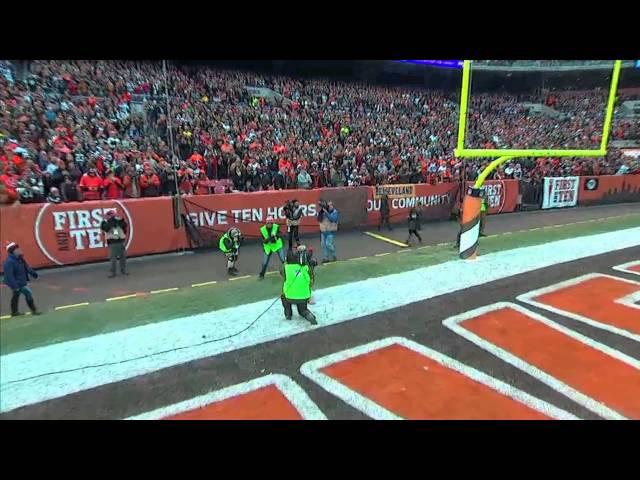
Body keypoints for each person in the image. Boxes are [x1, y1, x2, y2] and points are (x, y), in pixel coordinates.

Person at [281, 245, 317, 325]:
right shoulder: (306, 266)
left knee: (283, 296)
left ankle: (288, 314)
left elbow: (282, 274)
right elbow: (311, 277)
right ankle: (309, 316)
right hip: (304, 295)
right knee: (303, 310)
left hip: (289, 295)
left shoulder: (286, 267)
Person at [3, 242, 41, 317]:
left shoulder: (20, 259)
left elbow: (26, 267)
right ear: (13, 251)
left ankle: (14, 312)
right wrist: (15, 286)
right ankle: (34, 310)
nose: (20, 250)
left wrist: (34, 274)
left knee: (16, 296)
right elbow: (9, 276)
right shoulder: (9, 262)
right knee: (28, 293)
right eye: (17, 249)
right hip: (17, 283)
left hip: (21, 281)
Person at [100, 210, 128, 278]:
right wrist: (111, 221)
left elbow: (124, 226)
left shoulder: (118, 221)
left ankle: (123, 270)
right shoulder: (105, 222)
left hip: (120, 241)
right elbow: (106, 228)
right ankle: (112, 272)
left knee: (123, 257)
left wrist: (121, 221)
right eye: (112, 215)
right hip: (112, 242)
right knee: (113, 259)